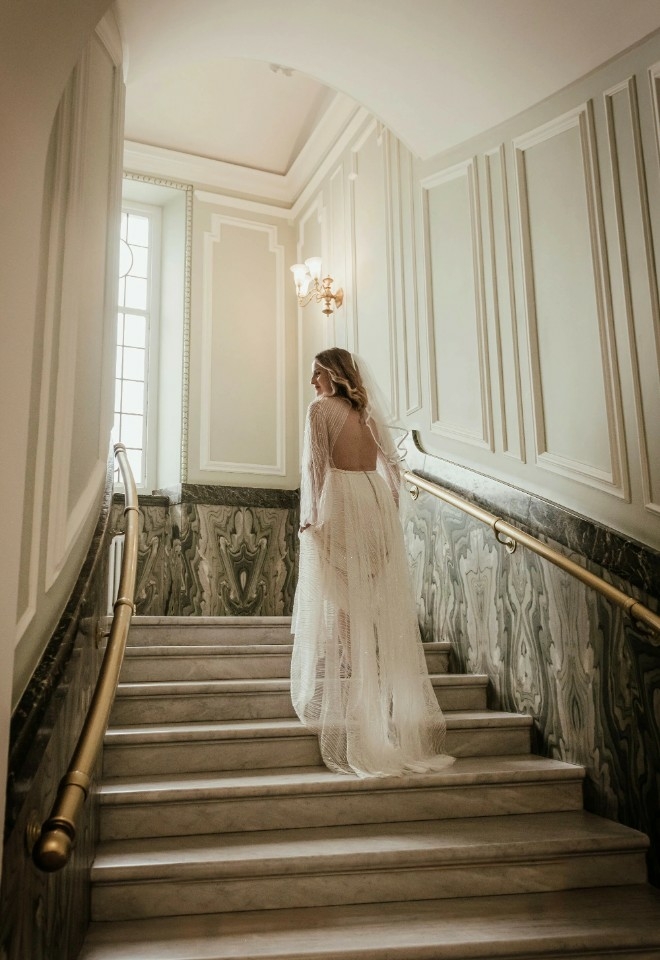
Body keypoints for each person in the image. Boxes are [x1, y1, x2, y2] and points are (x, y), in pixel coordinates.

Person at [291, 347, 454, 778]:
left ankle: (353, 666)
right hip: (375, 502)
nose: (312, 383)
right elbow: (393, 469)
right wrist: (389, 506)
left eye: (317, 374)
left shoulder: (319, 411)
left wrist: (311, 515)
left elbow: (316, 466)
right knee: (363, 589)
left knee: (336, 586)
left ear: (332, 374)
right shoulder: (366, 412)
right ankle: (371, 666)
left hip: (343, 498)